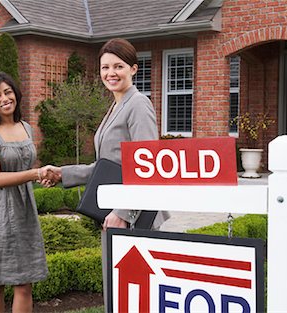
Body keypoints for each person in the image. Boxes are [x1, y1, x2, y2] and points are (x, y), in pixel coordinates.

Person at [47, 38, 170, 310]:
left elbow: (147, 166)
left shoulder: (138, 104)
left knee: (139, 298)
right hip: (117, 215)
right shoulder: (117, 105)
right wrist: (63, 174)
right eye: (105, 67)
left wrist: (122, 212)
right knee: (120, 296)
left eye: (118, 66)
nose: (111, 73)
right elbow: (108, 165)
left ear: (134, 69)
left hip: (136, 217)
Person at [0, 72, 51, 313]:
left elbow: (25, 167)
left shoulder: (25, 127)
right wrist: (35, 174)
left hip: (23, 209)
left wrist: (42, 176)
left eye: (8, 92)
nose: (4, 99)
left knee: (24, 281)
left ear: (16, 94)